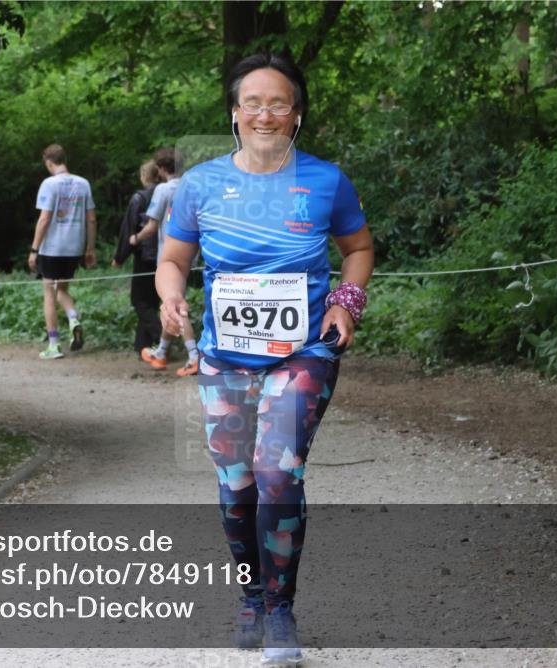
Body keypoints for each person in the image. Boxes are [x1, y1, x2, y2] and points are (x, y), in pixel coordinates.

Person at [156, 53, 373, 665]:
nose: (265, 113)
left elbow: (357, 248)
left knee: (278, 473)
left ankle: (280, 610)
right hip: (224, 357)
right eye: (253, 102)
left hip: (302, 350)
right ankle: (250, 594)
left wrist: (346, 303)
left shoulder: (326, 181)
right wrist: (171, 297)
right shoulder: (199, 184)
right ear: (234, 114)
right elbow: (172, 260)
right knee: (238, 484)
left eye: (278, 102)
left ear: (296, 115)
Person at [134, 147, 200, 377]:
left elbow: (152, 225)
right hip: (192, 255)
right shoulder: (190, 185)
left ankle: (193, 356)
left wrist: (134, 239)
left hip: (170, 258)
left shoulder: (163, 189)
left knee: (175, 305)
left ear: (161, 168)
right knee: (172, 305)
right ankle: (161, 352)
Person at [28, 144, 97, 359]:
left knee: (49, 292)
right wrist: (90, 248)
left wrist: (34, 249)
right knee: (62, 290)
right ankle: (73, 318)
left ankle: (54, 345)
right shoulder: (83, 183)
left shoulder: (49, 184)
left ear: (49, 162)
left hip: (53, 247)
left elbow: (45, 218)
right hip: (74, 246)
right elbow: (92, 218)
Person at [111, 160, 162, 352]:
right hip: (166, 254)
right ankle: (142, 346)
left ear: (143, 176)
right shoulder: (167, 193)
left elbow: (129, 230)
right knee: (151, 302)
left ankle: (163, 337)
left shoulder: (139, 198)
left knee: (139, 301)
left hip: (146, 256)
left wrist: (119, 257)